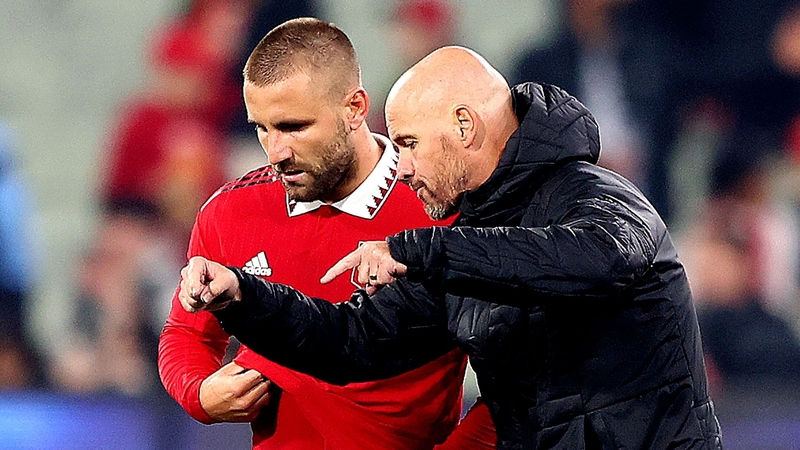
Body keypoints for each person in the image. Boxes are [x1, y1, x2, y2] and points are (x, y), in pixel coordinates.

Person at [179, 45, 723, 449]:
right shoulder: (460, 244)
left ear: (464, 125)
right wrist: (243, 297)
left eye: (411, 143)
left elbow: (598, 259)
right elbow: (349, 340)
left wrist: (419, 250)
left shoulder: (595, 195)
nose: (404, 164)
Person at [157, 19, 495, 450]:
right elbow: (188, 333)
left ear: (354, 108)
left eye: (294, 127)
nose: (276, 151)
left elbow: (514, 379)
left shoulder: (441, 206)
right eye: (262, 128)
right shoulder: (229, 213)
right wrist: (200, 393)